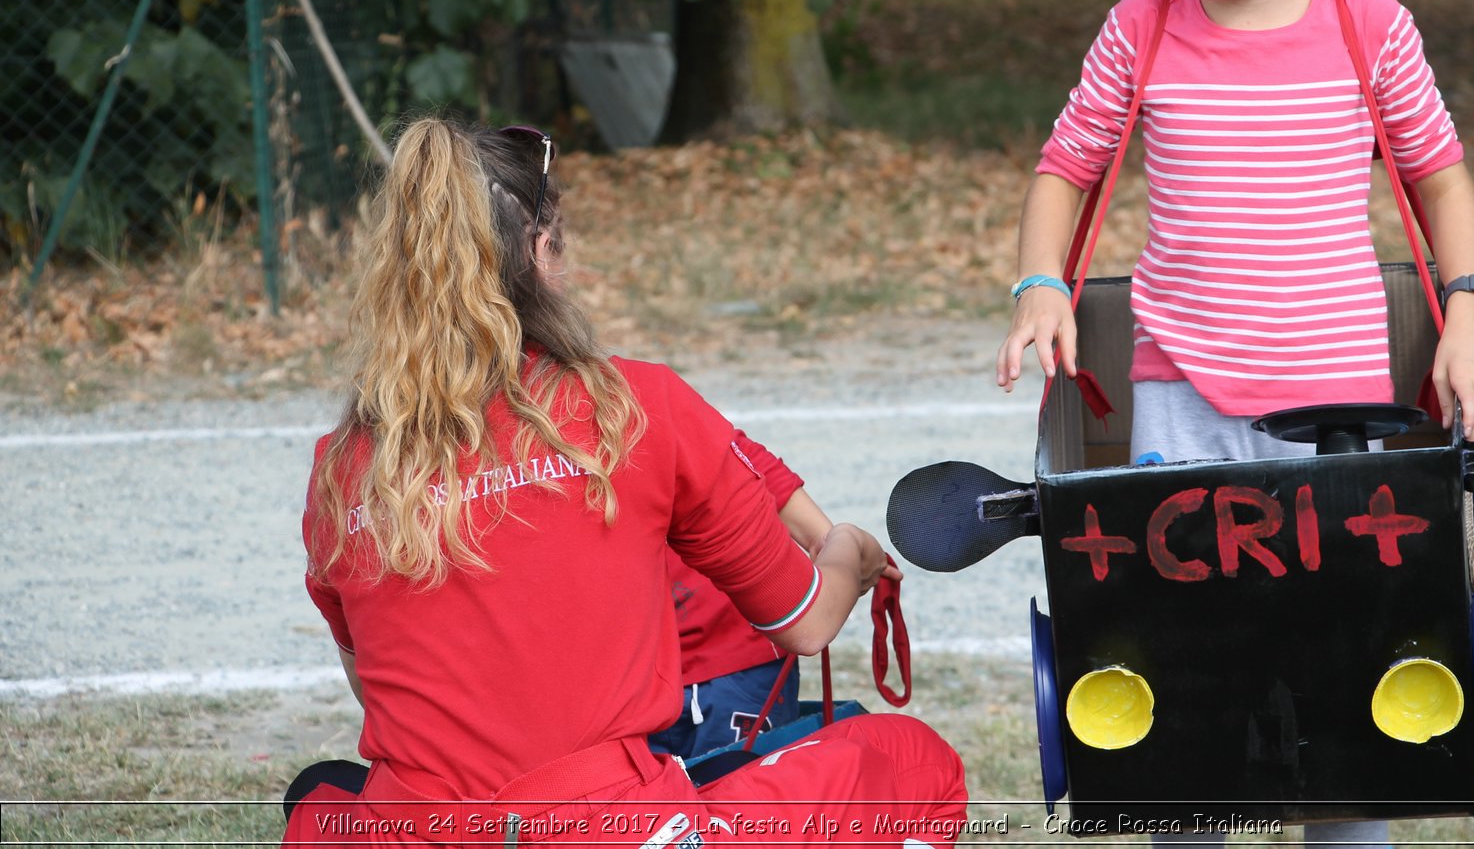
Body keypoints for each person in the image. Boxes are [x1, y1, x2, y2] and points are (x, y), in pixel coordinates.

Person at [994, 0, 1474, 844]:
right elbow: (1065, 168)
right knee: (1187, 681)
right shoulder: (1140, 29)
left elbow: (1439, 176)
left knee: (1349, 678)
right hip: (1180, 400)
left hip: (1339, 413)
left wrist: (1470, 310)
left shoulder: (1369, 28)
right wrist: (1040, 281)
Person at [281, 118, 967, 848]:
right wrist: (849, 555)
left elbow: (385, 695)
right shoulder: (632, 405)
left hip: (414, 826)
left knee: (320, 796)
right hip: (603, 821)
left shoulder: (343, 465)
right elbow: (804, 621)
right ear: (541, 251)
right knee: (913, 763)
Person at [653, 432, 851, 761]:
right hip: (632, 674)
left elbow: (734, 454)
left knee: (748, 802)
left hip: (735, 659)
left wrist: (834, 543)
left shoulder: (649, 398)